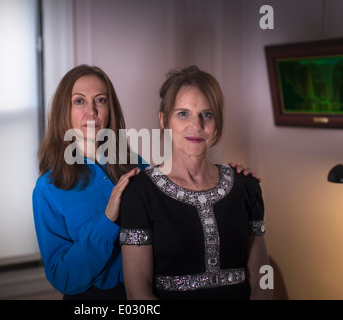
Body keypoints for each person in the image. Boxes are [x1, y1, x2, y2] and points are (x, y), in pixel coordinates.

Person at [32, 64, 260, 300]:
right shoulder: (48, 189)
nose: (92, 112)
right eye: (79, 101)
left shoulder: (136, 166)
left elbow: (176, 199)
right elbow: (62, 276)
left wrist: (230, 177)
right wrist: (106, 220)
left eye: (100, 100)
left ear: (110, 108)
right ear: (63, 109)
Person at [120, 65, 272, 300]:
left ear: (217, 124)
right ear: (163, 120)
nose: (197, 125)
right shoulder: (140, 193)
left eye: (207, 114)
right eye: (183, 114)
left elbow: (263, 280)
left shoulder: (246, 187)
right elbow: (137, 291)